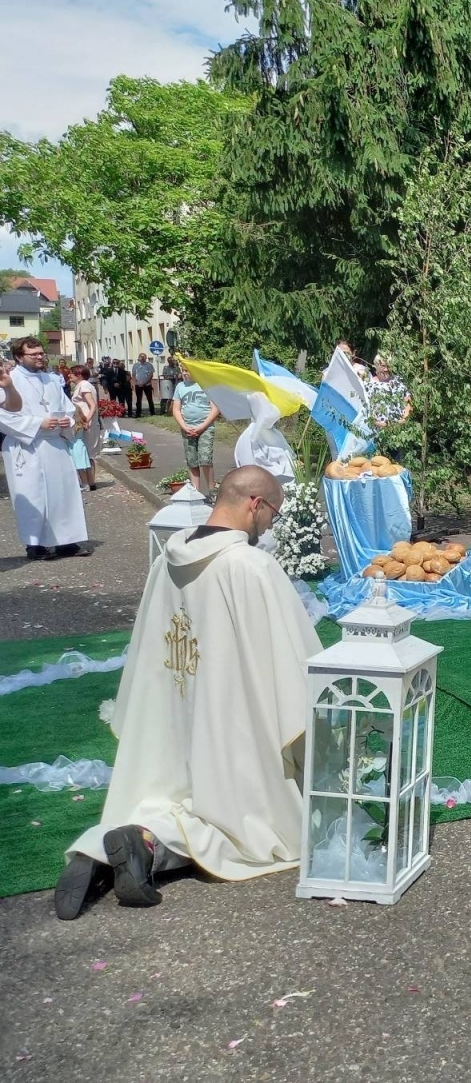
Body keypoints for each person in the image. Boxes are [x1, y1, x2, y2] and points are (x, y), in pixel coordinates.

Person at [54, 466, 321, 919]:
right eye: (272, 511)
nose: (272, 523)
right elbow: (294, 659)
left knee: (171, 797)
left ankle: (103, 848)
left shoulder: (167, 559)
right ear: (254, 502)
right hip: (233, 725)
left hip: (173, 715)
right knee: (264, 831)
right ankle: (142, 846)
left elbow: (147, 648)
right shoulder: (251, 565)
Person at [0, 337, 90, 560]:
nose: (40, 357)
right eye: (34, 354)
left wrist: (66, 422)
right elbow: (3, 416)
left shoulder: (52, 380)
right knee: (34, 494)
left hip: (54, 444)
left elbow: (68, 410)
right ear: (19, 357)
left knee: (62, 493)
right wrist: (36, 423)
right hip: (27, 446)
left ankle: (65, 542)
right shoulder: (10, 380)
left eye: (41, 353)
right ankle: (35, 545)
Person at [172, 364, 221, 496]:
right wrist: (184, 426)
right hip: (187, 428)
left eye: (187, 370)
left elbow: (215, 409)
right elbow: (176, 409)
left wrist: (201, 427)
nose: (185, 373)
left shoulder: (207, 386)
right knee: (192, 461)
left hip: (205, 428)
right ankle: (195, 493)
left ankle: (212, 490)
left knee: (205, 459)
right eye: (183, 371)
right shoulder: (180, 387)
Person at [68, 364, 102, 492]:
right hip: (86, 422)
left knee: (85, 453)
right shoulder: (84, 385)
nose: (69, 375)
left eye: (72, 373)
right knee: (87, 453)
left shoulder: (83, 385)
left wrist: (87, 420)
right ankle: (90, 482)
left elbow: (92, 405)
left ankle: (88, 482)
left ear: (80, 375)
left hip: (87, 424)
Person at [365, 356, 412, 428]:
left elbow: (409, 401)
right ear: (375, 366)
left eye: (389, 366)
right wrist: (380, 424)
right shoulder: (368, 385)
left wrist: (404, 419)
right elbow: (365, 409)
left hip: (401, 429)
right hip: (378, 430)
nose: (386, 369)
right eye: (383, 366)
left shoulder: (399, 380)